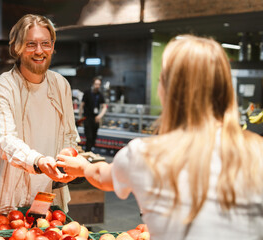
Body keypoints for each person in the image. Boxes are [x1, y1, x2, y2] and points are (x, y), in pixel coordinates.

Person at [57, 35, 263, 239]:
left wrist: (82, 167)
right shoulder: (258, 151)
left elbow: (102, 176)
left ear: (166, 90)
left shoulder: (144, 154)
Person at [0, 14, 77, 214]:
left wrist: (70, 162)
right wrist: (38, 162)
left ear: (52, 46)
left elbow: (70, 134)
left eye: (45, 43)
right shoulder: (1, 88)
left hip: (51, 194)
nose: (39, 51)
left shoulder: (61, 84)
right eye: (30, 44)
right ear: (17, 48)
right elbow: (6, 140)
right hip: (14, 196)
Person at [79, 76, 107, 152]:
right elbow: (82, 105)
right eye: (96, 84)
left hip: (95, 119)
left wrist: (100, 116)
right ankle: (88, 152)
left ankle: (90, 152)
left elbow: (105, 107)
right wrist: (80, 117)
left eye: (99, 84)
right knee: (89, 137)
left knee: (94, 138)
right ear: (93, 84)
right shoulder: (87, 93)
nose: (97, 86)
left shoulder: (100, 95)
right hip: (87, 118)